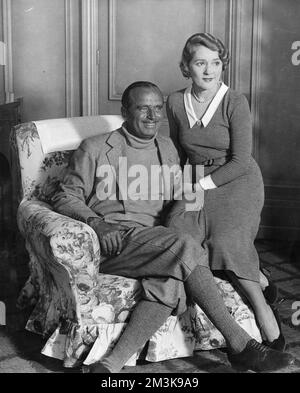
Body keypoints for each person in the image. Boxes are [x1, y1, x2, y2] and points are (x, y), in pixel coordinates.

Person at [51, 81, 294, 373]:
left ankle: (111, 363)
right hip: (117, 241)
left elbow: (185, 195)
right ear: (125, 111)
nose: (153, 116)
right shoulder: (95, 148)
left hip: (159, 242)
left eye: (157, 109)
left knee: (172, 279)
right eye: (143, 108)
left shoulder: (167, 148)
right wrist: (97, 224)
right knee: (184, 249)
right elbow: (64, 195)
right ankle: (240, 345)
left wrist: (202, 225)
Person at [166, 33, 283, 351]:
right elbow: (178, 151)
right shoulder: (175, 102)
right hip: (195, 180)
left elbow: (241, 160)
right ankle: (257, 277)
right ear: (186, 66)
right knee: (178, 234)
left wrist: (201, 184)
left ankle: (263, 312)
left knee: (226, 239)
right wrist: (176, 186)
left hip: (237, 181)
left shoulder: (235, 102)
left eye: (215, 63)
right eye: (200, 62)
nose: (209, 70)